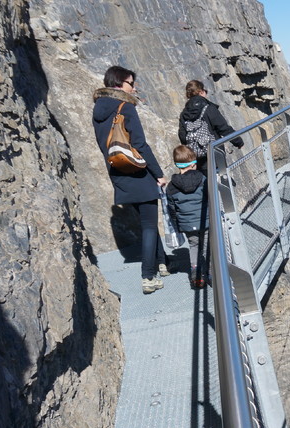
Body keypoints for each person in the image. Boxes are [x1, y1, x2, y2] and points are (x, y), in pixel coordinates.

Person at [92, 65, 170, 294]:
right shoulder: (125, 107)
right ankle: (148, 276)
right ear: (118, 84)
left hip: (117, 171)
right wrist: (159, 173)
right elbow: (140, 145)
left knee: (147, 221)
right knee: (148, 225)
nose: (133, 88)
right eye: (130, 83)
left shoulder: (98, 109)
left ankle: (162, 261)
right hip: (138, 170)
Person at [166, 145, 210, 289]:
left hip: (186, 223)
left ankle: (196, 274)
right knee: (208, 246)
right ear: (193, 164)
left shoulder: (171, 186)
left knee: (194, 245)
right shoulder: (203, 179)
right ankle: (213, 273)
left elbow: (172, 208)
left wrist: (177, 224)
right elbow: (210, 199)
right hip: (205, 220)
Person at [178, 79, 244, 172]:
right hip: (214, 151)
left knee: (207, 181)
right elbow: (223, 128)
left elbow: (182, 136)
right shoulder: (208, 108)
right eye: (205, 91)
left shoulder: (184, 114)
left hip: (197, 155)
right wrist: (238, 142)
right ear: (201, 92)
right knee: (219, 179)